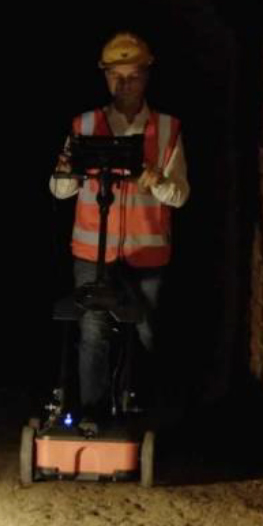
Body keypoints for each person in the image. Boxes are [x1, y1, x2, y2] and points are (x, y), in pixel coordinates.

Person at [50, 31, 190, 412]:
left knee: (146, 334)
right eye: (115, 75)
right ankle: (94, 416)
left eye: (131, 76)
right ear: (104, 76)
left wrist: (157, 180)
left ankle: (143, 411)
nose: (123, 84)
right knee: (93, 332)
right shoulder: (84, 126)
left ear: (146, 76)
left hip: (147, 256)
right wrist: (66, 173)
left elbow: (180, 195)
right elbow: (59, 191)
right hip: (93, 252)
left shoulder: (166, 130)